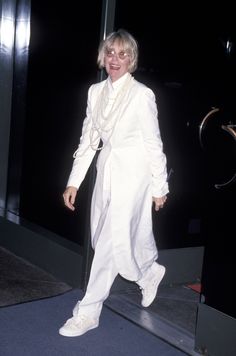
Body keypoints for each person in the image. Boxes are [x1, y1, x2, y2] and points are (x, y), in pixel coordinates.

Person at [59, 29, 169, 337]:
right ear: (103, 57)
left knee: (109, 243)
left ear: (132, 59)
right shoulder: (95, 93)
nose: (115, 60)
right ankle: (148, 273)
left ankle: (88, 311)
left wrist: (160, 187)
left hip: (135, 177)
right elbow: (88, 140)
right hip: (106, 172)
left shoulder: (142, 94)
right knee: (105, 239)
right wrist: (74, 182)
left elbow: (153, 144)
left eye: (122, 54)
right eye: (110, 53)